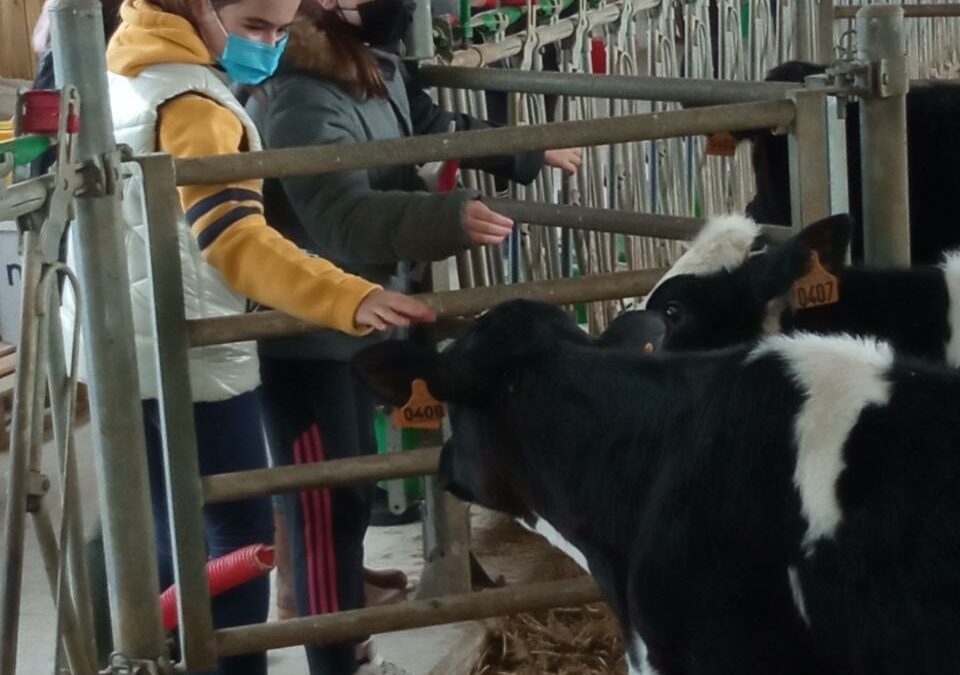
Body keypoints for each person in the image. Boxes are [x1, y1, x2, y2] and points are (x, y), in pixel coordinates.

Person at [61, 2, 434, 674]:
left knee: (170, 532)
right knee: (240, 539)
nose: (271, 45)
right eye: (256, 26)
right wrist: (349, 294)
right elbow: (236, 239)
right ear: (200, 7)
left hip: (115, 340)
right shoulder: (195, 100)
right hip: (193, 349)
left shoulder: (129, 61)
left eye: (283, 29)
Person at [246, 2, 581, 672]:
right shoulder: (298, 97)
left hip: (368, 317)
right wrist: (449, 218)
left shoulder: (372, 67)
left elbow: (430, 129)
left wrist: (525, 150)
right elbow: (341, 214)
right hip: (308, 337)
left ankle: (339, 621)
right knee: (325, 504)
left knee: (353, 492)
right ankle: (334, 653)